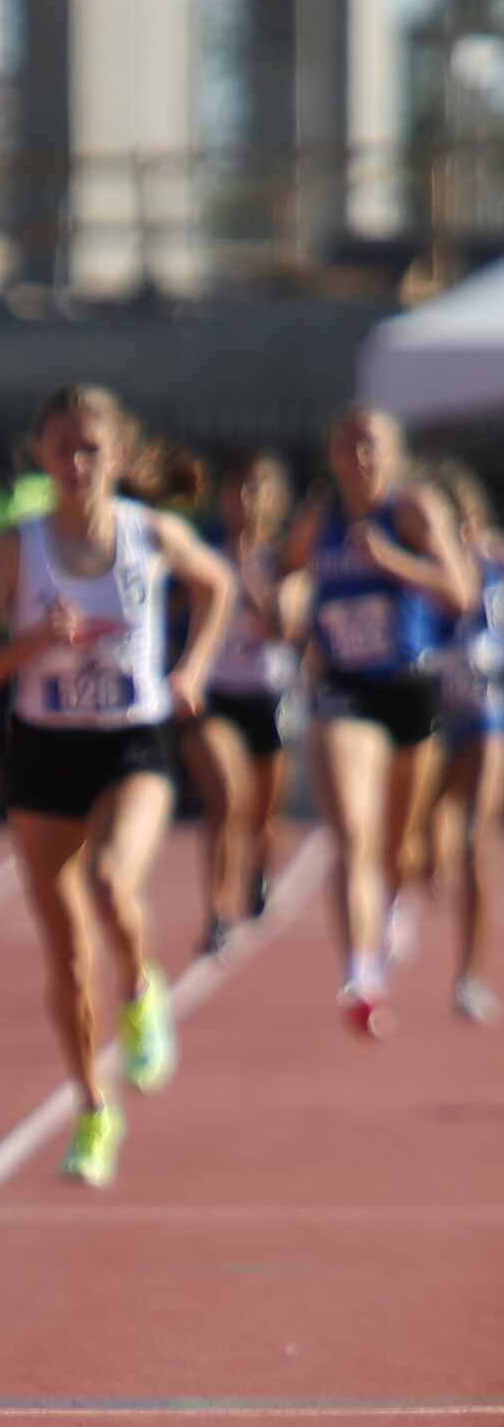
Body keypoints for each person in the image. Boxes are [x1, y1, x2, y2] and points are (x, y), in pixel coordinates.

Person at [0, 384, 234, 1189]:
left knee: (114, 881)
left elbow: (216, 585)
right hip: (43, 750)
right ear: (38, 456)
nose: (75, 464)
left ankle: (143, 990)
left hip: (132, 743)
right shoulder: (14, 550)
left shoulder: (153, 534)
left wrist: (192, 669)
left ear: (117, 455)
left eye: (90, 449)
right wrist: (34, 639)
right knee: (67, 957)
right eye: (61, 450)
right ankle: (91, 1109)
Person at [284, 406, 475, 1036]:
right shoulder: (321, 519)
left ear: (392, 456)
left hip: (410, 688)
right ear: (333, 456)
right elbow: (291, 578)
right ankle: (362, 972)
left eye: (372, 447)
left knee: (399, 846)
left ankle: (393, 903)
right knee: (353, 833)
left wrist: (394, 562)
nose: (361, 458)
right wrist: (290, 607)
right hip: (344, 689)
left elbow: (461, 590)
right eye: (350, 445)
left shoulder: (414, 510)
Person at [178, 449, 306, 954]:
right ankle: (215, 913)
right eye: (237, 489)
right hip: (214, 695)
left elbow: (285, 627)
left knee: (260, 815)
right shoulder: (199, 550)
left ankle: (257, 869)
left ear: (276, 499)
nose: (246, 500)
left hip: (269, 698)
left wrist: (244, 575)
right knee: (225, 798)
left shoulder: (288, 560)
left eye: (258, 489)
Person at [428, 462, 504, 1023]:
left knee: (475, 837)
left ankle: (470, 973)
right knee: (424, 841)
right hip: (432, 721)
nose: (460, 538)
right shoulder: (422, 578)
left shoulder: (498, 572)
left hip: (486, 717)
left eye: (467, 524)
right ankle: (400, 903)